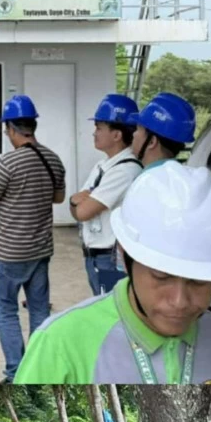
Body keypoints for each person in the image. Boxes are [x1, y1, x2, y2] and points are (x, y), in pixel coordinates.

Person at [14, 162, 211, 384]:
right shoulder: (60, 345)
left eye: (199, 281)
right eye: (161, 276)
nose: (179, 301)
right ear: (125, 257)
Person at [0, 95, 66, 383]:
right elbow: (59, 197)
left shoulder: (8, 162)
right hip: (41, 250)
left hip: (10, 253)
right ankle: (38, 369)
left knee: (6, 312)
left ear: (10, 129)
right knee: (39, 309)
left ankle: (15, 372)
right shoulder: (53, 159)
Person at [70, 94, 143, 295]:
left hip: (108, 259)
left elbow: (82, 211)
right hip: (95, 256)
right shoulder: (102, 166)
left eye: (99, 128)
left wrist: (78, 201)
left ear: (117, 135)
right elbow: (75, 205)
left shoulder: (125, 170)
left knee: (112, 313)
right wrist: (75, 201)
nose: (94, 133)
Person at [130, 92, 195, 168]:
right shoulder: (187, 175)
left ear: (151, 142)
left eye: (137, 129)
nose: (133, 134)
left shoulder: (149, 179)